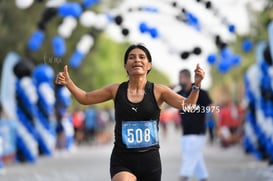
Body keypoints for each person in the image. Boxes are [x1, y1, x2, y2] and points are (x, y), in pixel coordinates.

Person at [55, 44, 205, 181]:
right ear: (126, 66)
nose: (137, 60)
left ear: (149, 65)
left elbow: (188, 106)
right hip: (122, 159)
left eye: (142, 57)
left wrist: (196, 85)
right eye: (131, 57)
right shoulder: (115, 90)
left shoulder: (159, 91)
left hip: (150, 162)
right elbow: (86, 98)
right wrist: (69, 83)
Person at [177, 69, 217, 181]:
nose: (179, 80)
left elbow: (213, 109)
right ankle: (203, 178)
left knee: (188, 159)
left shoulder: (201, 93)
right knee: (196, 158)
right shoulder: (180, 94)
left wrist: (217, 127)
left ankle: (183, 177)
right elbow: (165, 95)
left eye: (181, 78)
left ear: (188, 78)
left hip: (197, 132)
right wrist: (172, 86)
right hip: (186, 132)